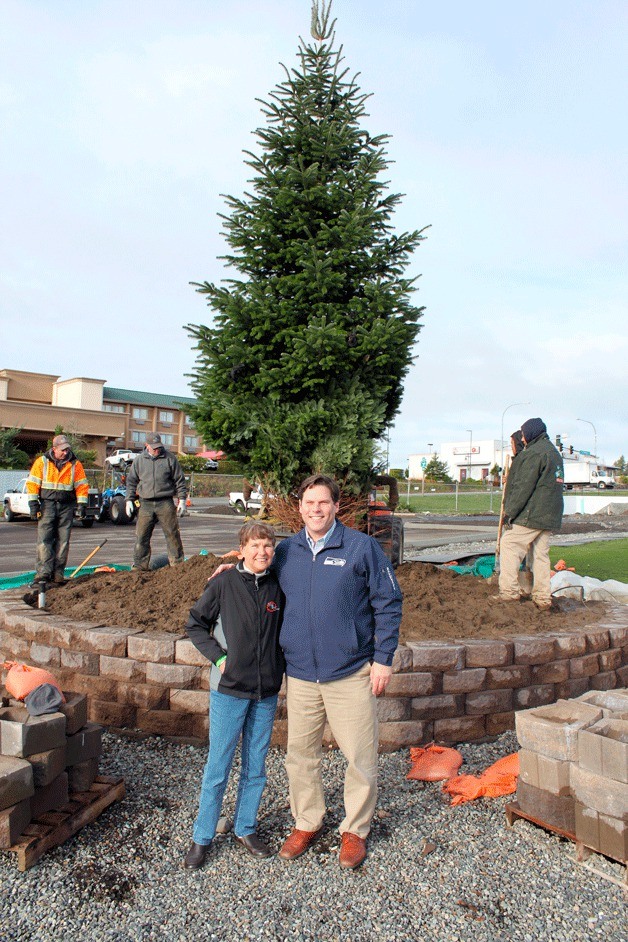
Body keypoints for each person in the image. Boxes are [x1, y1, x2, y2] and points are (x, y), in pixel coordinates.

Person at [213, 473, 403, 869]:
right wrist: (231, 571)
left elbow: (388, 602)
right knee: (300, 755)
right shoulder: (287, 551)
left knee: (359, 756)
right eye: (309, 503)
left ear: (336, 506)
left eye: (323, 503)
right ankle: (307, 820)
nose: (316, 510)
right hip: (299, 674)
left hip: (349, 671)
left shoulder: (360, 548)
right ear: (299, 508)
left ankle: (355, 830)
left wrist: (383, 658)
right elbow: (258, 575)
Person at [183, 522, 285, 870]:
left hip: (266, 690)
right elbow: (195, 624)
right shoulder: (224, 583)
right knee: (219, 766)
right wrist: (220, 657)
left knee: (255, 767)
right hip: (228, 690)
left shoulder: (278, 584)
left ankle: (245, 828)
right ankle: (202, 837)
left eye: (268, 546)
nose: (262, 552)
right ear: (240, 551)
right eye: (255, 546)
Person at [496, 417, 564, 610]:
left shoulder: (534, 454)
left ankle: (509, 593)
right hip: (550, 514)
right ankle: (543, 598)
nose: (523, 438)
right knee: (540, 555)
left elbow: (524, 487)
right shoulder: (553, 452)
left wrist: (510, 512)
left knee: (509, 544)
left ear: (531, 433)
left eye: (524, 433)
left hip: (533, 514)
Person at [25, 434, 89, 586]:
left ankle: (58, 573)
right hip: (47, 505)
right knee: (44, 540)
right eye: (62, 450)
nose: (65, 452)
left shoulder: (75, 464)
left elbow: (82, 486)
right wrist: (33, 504)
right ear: (54, 449)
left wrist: (82, 505)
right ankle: (43, 573)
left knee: (63, 541)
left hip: (66, 506)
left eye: (67, 450)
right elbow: (33, 483)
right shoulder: (42, 462)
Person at [124, 433, 187, 570]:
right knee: (142, 536)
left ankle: (177, 564)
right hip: (145, 503)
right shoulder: (139, 461)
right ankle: (140, 565)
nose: (157, 450)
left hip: (165, 502)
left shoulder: (170, 459)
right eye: (154, 448)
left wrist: (182, 500)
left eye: (159, 447)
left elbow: (179, 480)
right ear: (146, 446)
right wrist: (129, 500)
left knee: (172, 534)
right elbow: (131, 482)